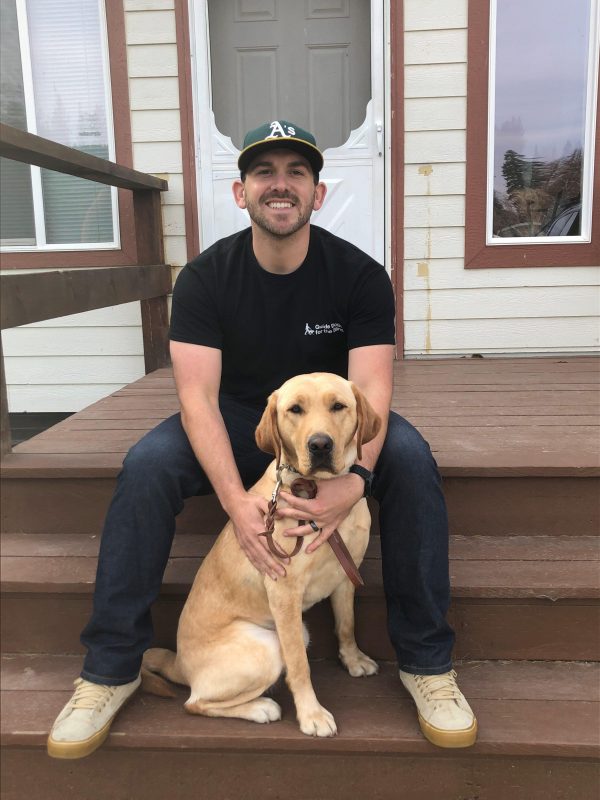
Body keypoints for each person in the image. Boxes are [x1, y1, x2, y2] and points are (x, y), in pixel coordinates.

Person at [47, 120, 477, 759]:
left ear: (318, 193)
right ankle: (108, 670)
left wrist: (355, 479)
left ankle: (426, 664)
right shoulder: (204, 277)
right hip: (242, 421)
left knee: (410, 460)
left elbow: (372, 391)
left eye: (296, 173)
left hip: (328, 428)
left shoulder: (358, 275)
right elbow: (196, 398)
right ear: (241, 192)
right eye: (264, 173)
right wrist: (236, 505)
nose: (281, 185)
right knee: (146, 466)